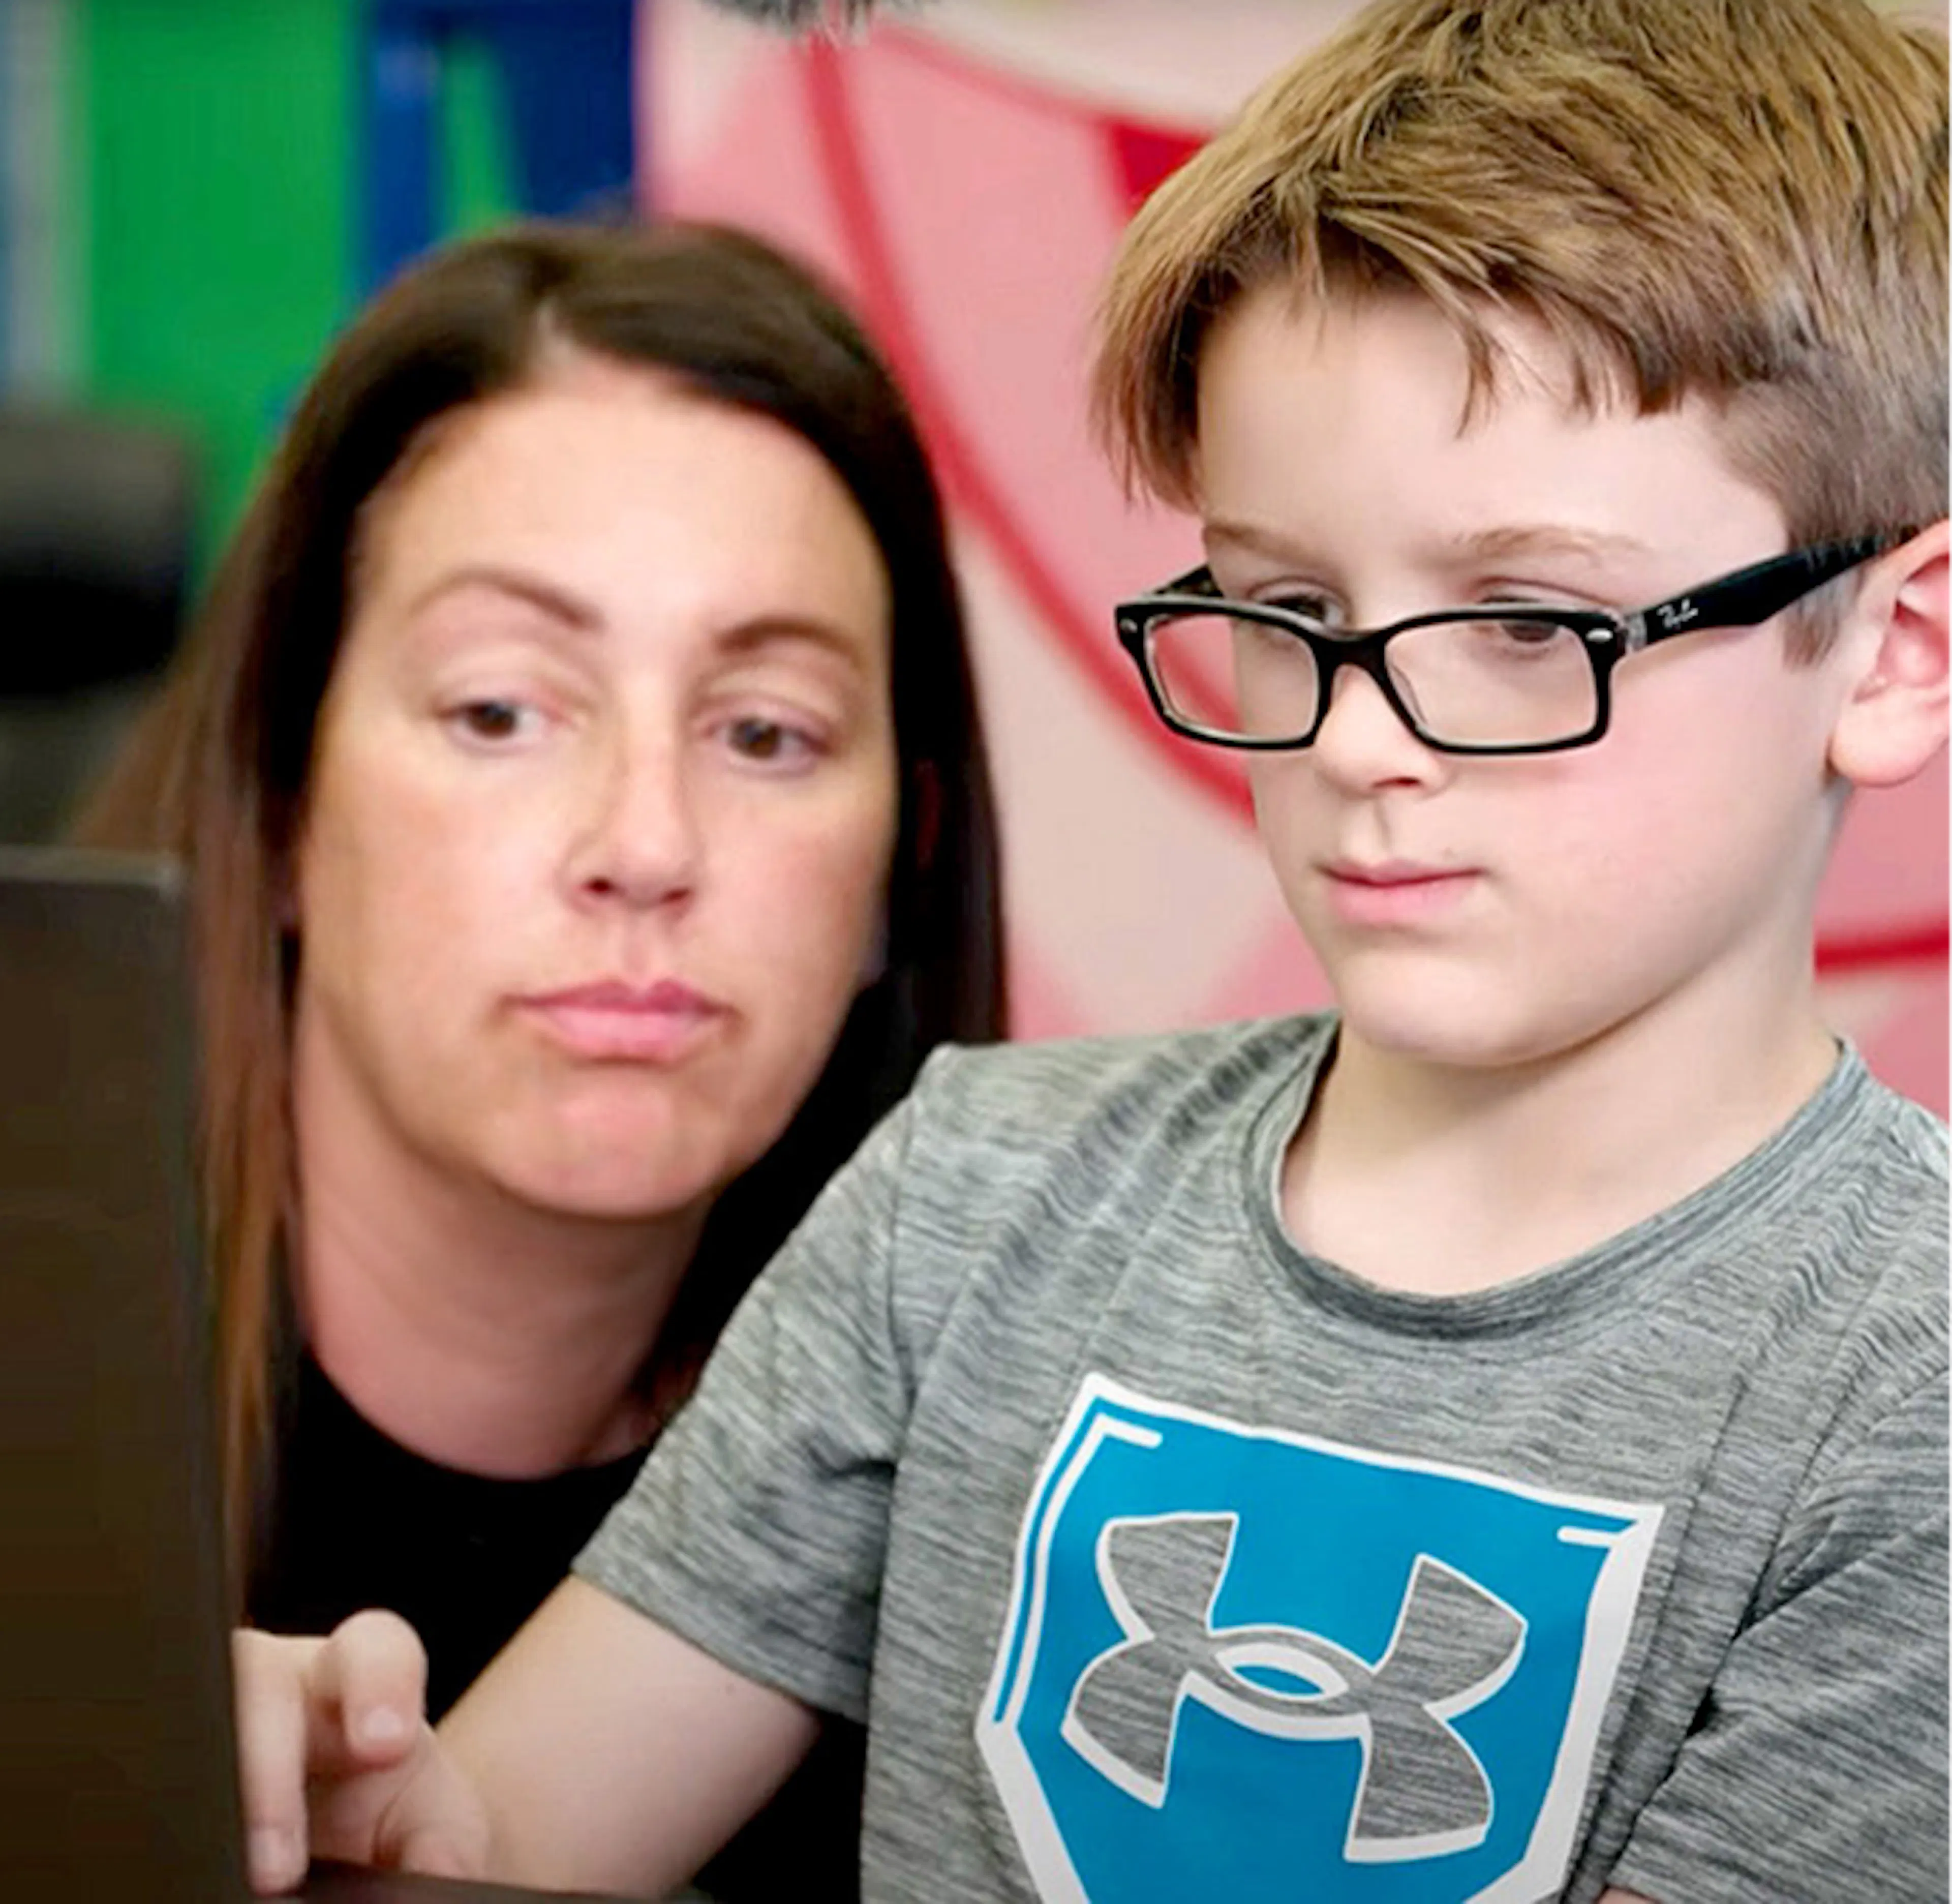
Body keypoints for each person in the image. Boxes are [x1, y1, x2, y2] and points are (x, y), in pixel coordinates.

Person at [232, 2, 1952, 1899]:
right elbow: (511, 1840)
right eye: (1290, 605)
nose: (1357, 736)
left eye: (1531, 621)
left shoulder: (1904, 1385)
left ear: (1895, 651)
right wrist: (328, 1795)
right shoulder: (967, 1195)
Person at [75, 217, 1004, 1898]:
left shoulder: (1005, 1503)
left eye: (765, 733)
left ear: (899, 865)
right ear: (282, 803)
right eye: (502, 710)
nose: (645, 844)